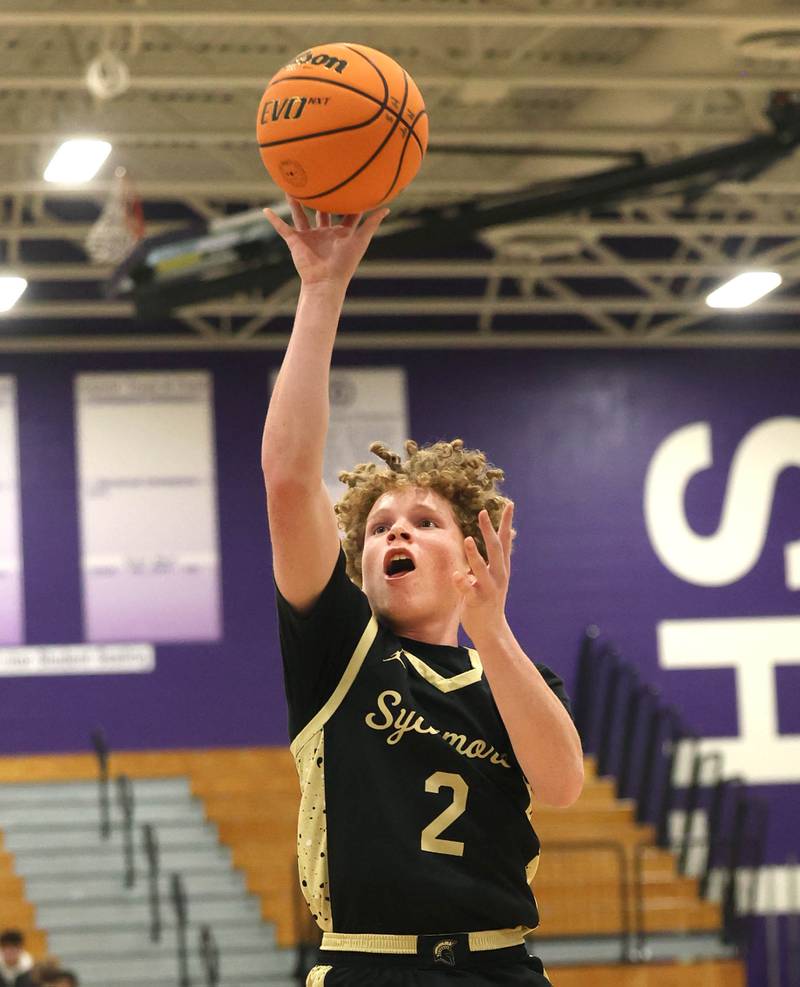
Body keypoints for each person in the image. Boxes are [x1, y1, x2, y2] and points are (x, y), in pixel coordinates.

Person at [262, 196, 585, 986]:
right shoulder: (339, 647)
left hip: (502, 963)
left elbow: (564, 784)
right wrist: (321, 292)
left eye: (423, 522)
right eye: (377, 529)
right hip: (375, 967)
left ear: (471, 551)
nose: (394, 535)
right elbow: (289, 478)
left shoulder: (508, 680)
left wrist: (493, 627)